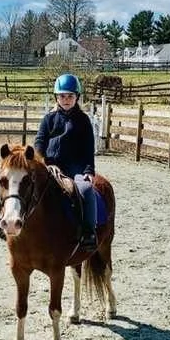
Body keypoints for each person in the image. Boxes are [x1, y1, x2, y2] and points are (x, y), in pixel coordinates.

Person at [34, 72, 98, 252]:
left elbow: (88, 148)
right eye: (62, 96)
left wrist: (88, 171)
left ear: (77, 97)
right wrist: (44, 161)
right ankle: (9, 222)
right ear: (57, 97)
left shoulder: (83, 121)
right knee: (24, 185)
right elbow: (39, 141)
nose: (66, 99)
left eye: (70, 96)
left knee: (86, 190)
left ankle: (89, 232)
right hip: (51, 166)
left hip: (75, 168)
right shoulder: (49, 119)